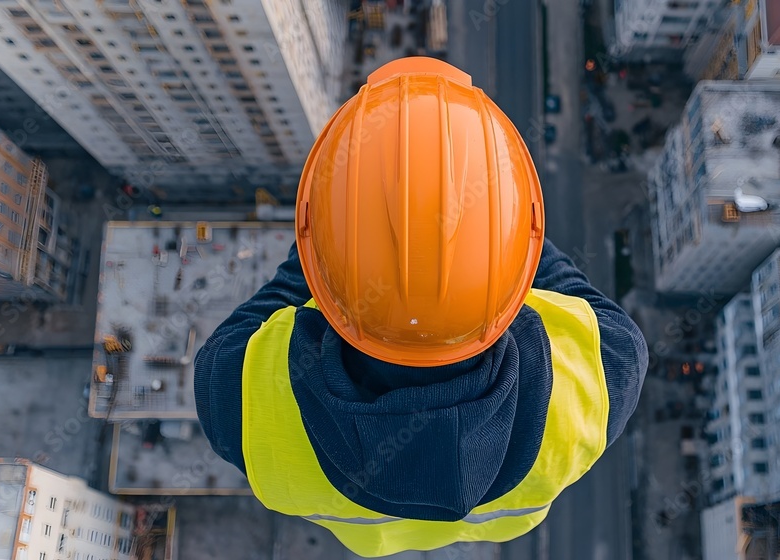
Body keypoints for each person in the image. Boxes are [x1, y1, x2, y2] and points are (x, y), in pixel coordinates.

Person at [194, 57, 648, 557]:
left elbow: (286, 289)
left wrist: (334, 237)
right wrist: (498, 224)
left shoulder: (234, 402)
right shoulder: (603, 372)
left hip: (366, 538)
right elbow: (548, 271)